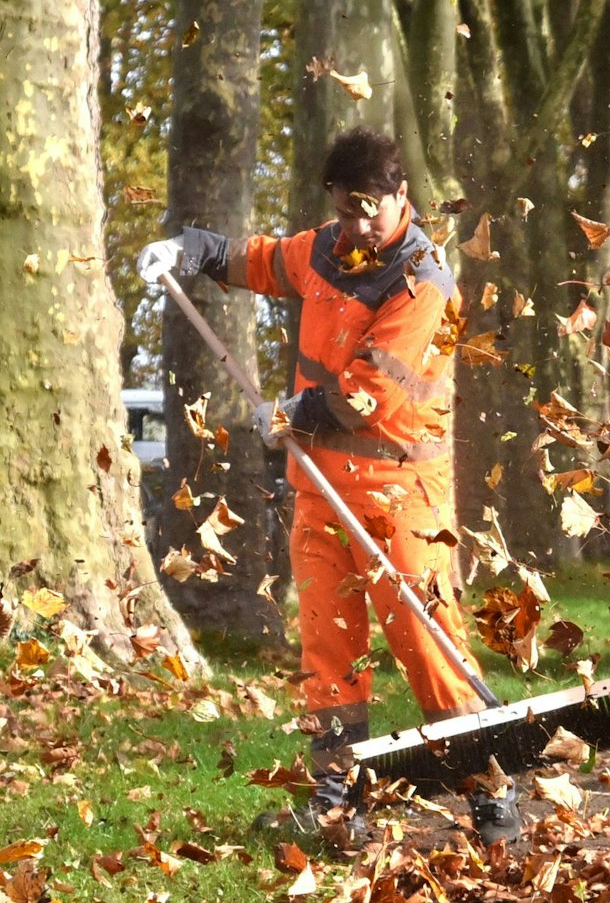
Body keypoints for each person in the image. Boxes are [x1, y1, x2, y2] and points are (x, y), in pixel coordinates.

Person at [138, 127, 520, 851]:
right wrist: (190, 250)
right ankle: (338, 799)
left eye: (367, 210)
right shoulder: (325, 248)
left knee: (427, 643)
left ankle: (492, 788)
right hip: (318, 485)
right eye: (344, 210)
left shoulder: (423, 280)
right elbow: (259, 260)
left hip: (403, 494)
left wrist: (294, 412)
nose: (354, 226)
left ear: (400, 196)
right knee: (328, 650)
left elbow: (373, 388)